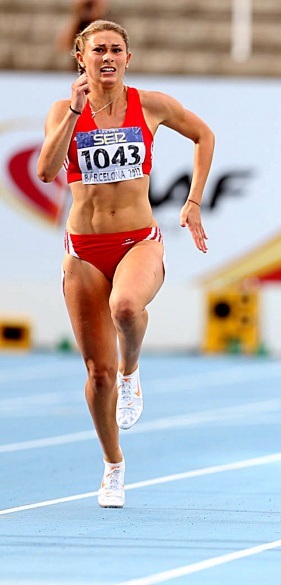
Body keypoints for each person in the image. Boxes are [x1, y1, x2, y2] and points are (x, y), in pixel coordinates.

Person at [37, 20, 215, 508]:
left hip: (138, 240)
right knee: (98, 374)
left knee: (127, 307)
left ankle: (131, 372)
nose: (108, 57)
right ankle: (113, 465)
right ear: (81, 58)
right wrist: (75, 111)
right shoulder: (63, 110)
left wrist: (194, 200)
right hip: (83, 250)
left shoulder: (150, 105)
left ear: (128, 59)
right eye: (98, 50)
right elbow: (46, 171)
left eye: (116, 49)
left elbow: (203, 136)